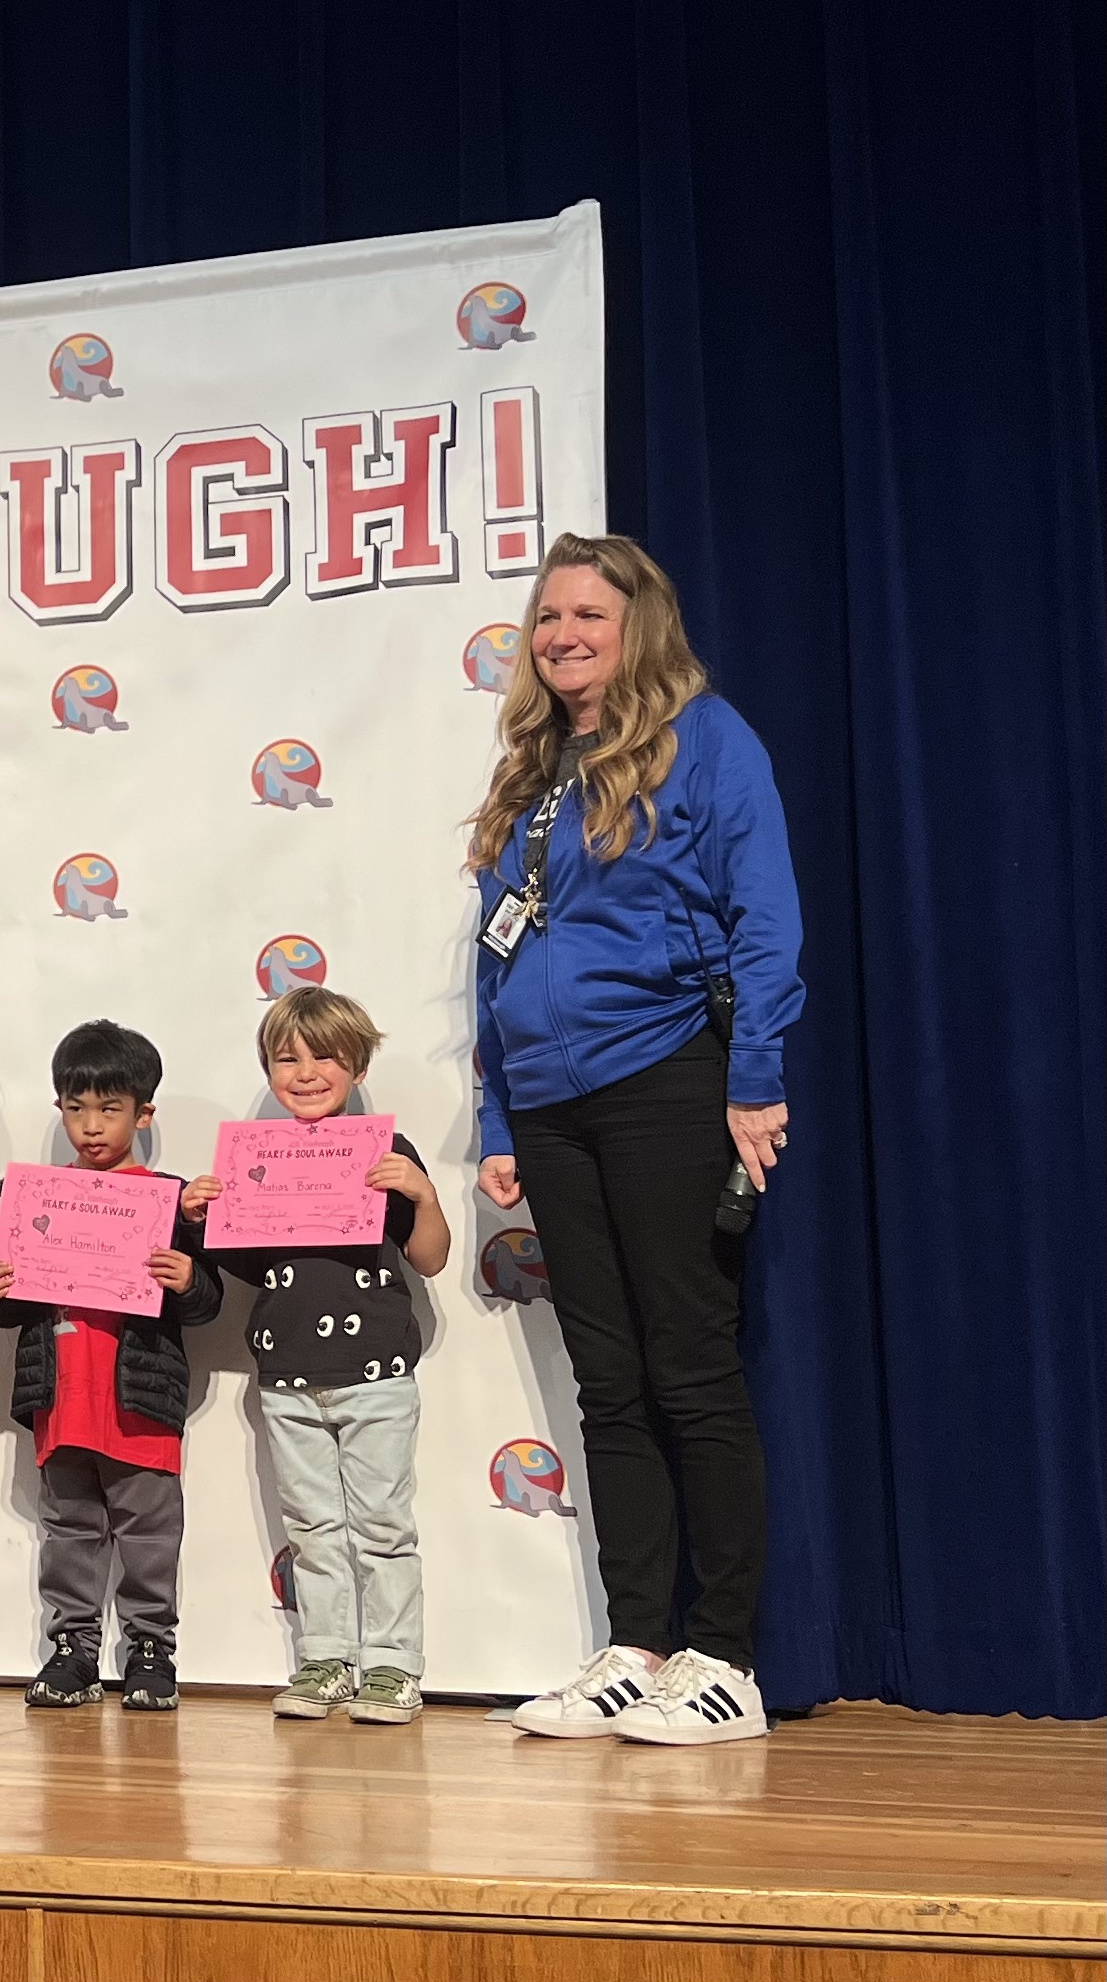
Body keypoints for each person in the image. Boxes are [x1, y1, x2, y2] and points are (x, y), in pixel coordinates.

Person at [467, 532, 803, 1746]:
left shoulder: (705, 738)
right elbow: (493, 950)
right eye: (548, 616)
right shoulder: (534, 766)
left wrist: (753, 1077)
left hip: (667, 1074)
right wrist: (499, 1112)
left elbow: (765, 916)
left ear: (637, 626)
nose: (562, 634)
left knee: (690, 1367)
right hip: (548, 1104)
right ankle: (637, 1645)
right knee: (608, 1384)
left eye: (588, 616)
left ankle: (724, 1657)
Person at [185, 990, 449, 1726]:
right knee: (311, 1528)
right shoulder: (255, 1161)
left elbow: (430, 1259)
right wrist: (202, 1216)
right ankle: (326, 1657)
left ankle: (393, 1664)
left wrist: (424, 1196)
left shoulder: (387, 1153)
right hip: (286, 1378)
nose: (304, 1073)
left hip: (375, 1376)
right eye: (286, 1059)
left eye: (324, 1056)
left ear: (358, 1066)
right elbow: (243, 1267)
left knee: (383, 1526)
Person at [0, 1021, 213, 1712]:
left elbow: (207, 1303)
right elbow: (14, 1298)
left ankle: (149, 1649)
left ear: (143, 1114)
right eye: (76, 1108)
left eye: (109, 1108)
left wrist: (189, 1279)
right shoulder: (38, 1199)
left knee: (150, 1534)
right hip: (62, 1401)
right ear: (59, 1110)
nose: (91, 1125)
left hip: (140, 1403)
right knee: (69, 1531)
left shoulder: (171, 1200)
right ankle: (73, 1649)